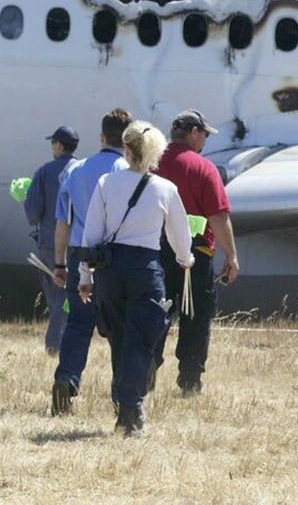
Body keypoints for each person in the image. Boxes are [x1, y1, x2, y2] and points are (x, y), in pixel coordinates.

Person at [79, 121, 194, 436]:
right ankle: (132, 406)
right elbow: (179, 236)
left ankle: (124, 405)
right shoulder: (165, 189)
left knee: (117, 336)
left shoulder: (106, 183)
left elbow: (92, 234)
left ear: (126, 151)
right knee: (142, 339)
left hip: (110, 269)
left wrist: (85, 274)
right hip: (145, 268)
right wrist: (186, 260)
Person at [150, 109, 240, 395]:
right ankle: (189, 380)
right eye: (203, 135)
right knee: (195, 317)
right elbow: (218, 216)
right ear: (192, 132)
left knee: (154, 313)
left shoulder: (150, 165)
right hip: (194, 257)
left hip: (156, 254)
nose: (204, 141)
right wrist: (231, 255)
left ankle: (145, 371)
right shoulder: (203, 168)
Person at [50, 108, 132, 416]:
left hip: (79, 251)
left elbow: (63, 223)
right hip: (117, 255)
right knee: (120, 327)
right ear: (128, 138)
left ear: (101, 136)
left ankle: (66, 380)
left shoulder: (76, 170)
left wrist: (59, 263)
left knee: (78, 324)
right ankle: (122, 395)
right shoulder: (130, 171)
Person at [23, 125, 79, 356]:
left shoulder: (45, 172)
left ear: (58, 145)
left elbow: (33, 213)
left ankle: (55, 345)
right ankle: (68, 340)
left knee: (56, 296)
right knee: (72, 294)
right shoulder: (82, 170)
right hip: (79, 242)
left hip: (49, 242)